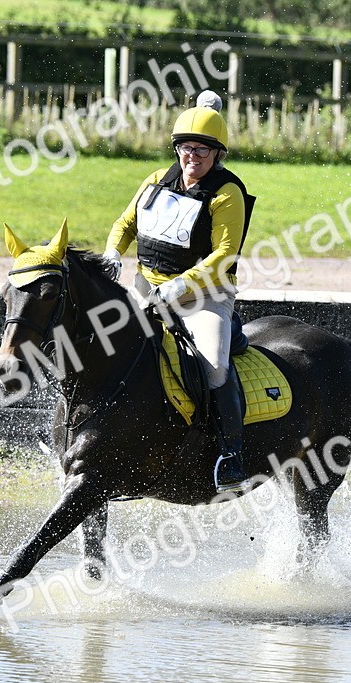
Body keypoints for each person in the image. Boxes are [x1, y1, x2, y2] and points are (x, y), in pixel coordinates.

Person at [102, 90, 255, 493]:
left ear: (217, 154)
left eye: (203, 150)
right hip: (146, 290)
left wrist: (181, 285)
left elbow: (224, 254)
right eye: (187, 148)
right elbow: (125, 222)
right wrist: (113, 254)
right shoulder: (155, 181)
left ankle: (231, 454)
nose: (193, 157)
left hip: (204, 298)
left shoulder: (227, 194)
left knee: (213, 365)